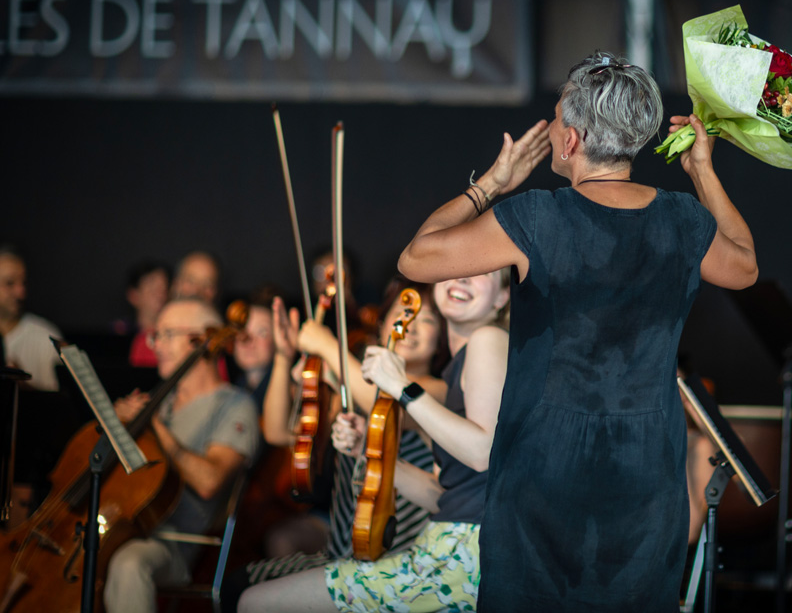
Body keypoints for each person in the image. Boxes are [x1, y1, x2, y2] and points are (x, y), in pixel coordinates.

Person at [396, 52, 758, 611]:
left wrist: (493, 182)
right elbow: (745, 266)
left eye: (558, 117)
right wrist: (703, 171)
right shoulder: (683, 219)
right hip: (646, 471)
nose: (553, 127)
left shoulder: (537, 217)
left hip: (543, 472)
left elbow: (416, 258)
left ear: (571, 141)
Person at [237, 271, 510, 613]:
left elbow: (481, 450)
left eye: (426, 320)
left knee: (252, 601)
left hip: (447, 551)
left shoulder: (473, 352)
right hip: (434, 547)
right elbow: (441, 495)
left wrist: (333, 348)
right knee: (248, 591)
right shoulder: (460, 368)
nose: (410, 327)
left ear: (503, 298)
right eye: (456, 271)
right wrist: (365, 451)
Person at [103, 298, 259, 613]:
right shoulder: (161, 400)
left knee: (129, 563)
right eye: (155, 335)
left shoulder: (234, 404)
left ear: (199, 340)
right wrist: (116, 428)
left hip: (177, 542)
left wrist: (155, 427)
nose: (156, 345)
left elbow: (209, 481)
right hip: (129, 524)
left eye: (166, 334)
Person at [0, 246, 63, 391]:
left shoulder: (46, 337)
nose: (20, 292)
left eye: (24, 283)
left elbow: (61, 400)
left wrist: (22, 387)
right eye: (10, 283)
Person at [120, 260, 171, 368]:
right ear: (133, 295)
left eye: (163, 289)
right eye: (152, 289)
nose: (160, 296)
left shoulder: (173, 338)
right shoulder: (120, 332)